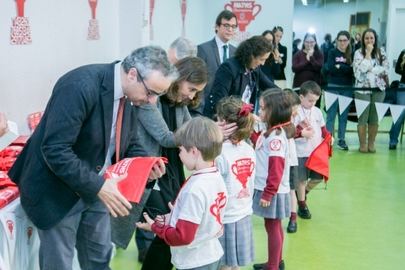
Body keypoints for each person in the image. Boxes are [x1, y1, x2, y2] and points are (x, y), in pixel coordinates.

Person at [7, 46, 178, 270]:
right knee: (59, 263)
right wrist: (99, 185)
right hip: (58, 189)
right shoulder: (80, 85)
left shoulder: (132, 96)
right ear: (133, 74)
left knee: (99, 258)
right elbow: (56, 149)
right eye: (151, 92)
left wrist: (144, 165)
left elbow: (131, 141)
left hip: (97, 188)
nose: (152, 101)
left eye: (159, 95)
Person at [136, 56, 208, 270]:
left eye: (196, 91)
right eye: (192, 88)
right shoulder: (151, 99)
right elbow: (167, 137)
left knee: (168, 229)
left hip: (172, 171)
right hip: (151, 173)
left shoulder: (178, 102)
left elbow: (189, 130)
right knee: (163, 229)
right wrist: (207, 132)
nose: (192, 95)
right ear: (181, 78)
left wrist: (204, 132)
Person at [137, 116, 227, 270]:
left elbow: (183, 237)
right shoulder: (215, 177)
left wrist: (156, 228)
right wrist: (174, 216)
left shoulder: (195, 189)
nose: (178, 155)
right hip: (211, 253)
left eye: (180, 150)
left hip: (194, 261)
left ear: (193, 151)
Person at [252, 89, 293, 270]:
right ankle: (276, 261)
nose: (259, 112)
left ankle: (273, 266)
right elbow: (259, 143)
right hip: (272, 188)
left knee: (272, 227)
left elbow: (276, 169)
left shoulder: (276, 138)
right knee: (274, 226)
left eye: (262, 109)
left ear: (273, 111)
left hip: (272, 190)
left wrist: (268, 194)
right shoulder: (271, 132)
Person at [215, 97, 256, 270]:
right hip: (243, 212)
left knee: (223, 265)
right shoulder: (248, 149)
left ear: (223, 122)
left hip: (224, 217)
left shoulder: (218, 153)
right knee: (235, 264)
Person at [204, 35, 277, 118]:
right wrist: (247, 114)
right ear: (251, 56)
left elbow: (270, 87)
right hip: (223, 120)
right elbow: (221, 102)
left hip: (241, 118)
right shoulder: (228, 68)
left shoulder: (255, 69)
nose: (263, 63)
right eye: (261, 59)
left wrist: (287, 97)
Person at [293, 81, 331, 220]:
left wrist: (328, 136)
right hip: (299, 152)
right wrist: (301, 133)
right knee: (301, 180)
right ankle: (302, 205)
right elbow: (290, 131)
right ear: (301, 97)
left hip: (314, 152)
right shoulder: (295, 112)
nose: (312, 104)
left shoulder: (317, 112)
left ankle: (301, 194)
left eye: (315, 101)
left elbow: (322, 129)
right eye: (310, 100)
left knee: (317, 178)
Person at [192, 10, 238, 116]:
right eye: (226, 25)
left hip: (228, 110)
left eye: (233, 26)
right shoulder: (203, 49)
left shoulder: (235, 52)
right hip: (206, 108)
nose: (230, 29)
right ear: (217, 27)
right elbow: (197, 79)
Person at [353, 28, 389, 153]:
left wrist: (370, 69)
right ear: (363, 40)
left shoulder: (381, 52)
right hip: (362, 90)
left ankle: (371, 143)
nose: (369, 40)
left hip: (379, 89)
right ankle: (363, 144)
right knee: (363, 117)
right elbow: (358, 72)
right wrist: (368, 54)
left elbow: (385, 69)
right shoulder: (358, 52)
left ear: (375, 39)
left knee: (375, 117)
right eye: (367, 38)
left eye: (371, 38)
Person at [325, 30, 354, 151]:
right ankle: (328, 140)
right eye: (340, 40)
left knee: (343, 115)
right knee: (331, 115)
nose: (342, 43)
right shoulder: (332, 52)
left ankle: (341, 139)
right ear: (337, 41)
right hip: (333, 86)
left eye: (345, 40)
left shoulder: (352, 53)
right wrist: (346, 67)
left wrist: (340, 67)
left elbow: (352, 71)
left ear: (348, 41)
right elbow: (330, 68)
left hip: (347, 87)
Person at [284, 89, 300, 234]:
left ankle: (293, 217)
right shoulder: (276, 120)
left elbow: (293, 131)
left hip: (291, 161)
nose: (296, 113)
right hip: (277, 161)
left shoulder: (293, 120)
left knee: (291, 190)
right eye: (294, 110)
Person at [389, 49, 405, 150]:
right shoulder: (403, 52)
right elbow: (397, 69)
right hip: (403, 87)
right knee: (400, 114)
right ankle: (393, 139)